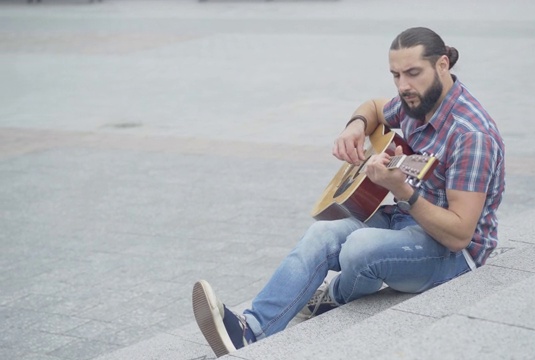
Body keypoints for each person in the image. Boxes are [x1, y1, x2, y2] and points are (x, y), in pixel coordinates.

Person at [192, 26, 505, 357]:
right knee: (320, 234)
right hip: (406, 220)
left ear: (443, 65)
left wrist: (403, 190)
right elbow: (373, 106)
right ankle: (250, 331)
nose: (403, 86)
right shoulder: (417, 101)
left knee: (359, 247)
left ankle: (335, 296)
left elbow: (459, 234)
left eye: (413, 73)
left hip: (453, 252)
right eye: (396, 75)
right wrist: (355, 125)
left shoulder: (471, 136)